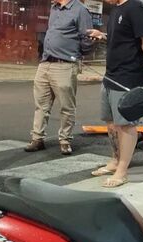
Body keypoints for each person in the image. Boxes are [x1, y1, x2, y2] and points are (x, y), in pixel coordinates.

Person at [87, 0, 143, 188]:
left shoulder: (135, 8)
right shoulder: (118, 9)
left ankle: (122, 171)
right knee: (110, 121)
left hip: (128, 76)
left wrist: (131, 54)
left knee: (125, 124)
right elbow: (124, 37)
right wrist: (103, 36)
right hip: (111, 75)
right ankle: (115, 161)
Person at [25, 0, 93, 155]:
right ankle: (37, 139)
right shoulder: (54, 9)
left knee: (67, 107)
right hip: (45, 63)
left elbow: (87, 38)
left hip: (65, 65)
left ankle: (65, 140)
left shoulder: (80, 10)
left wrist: (75, 56)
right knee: (41, 104)